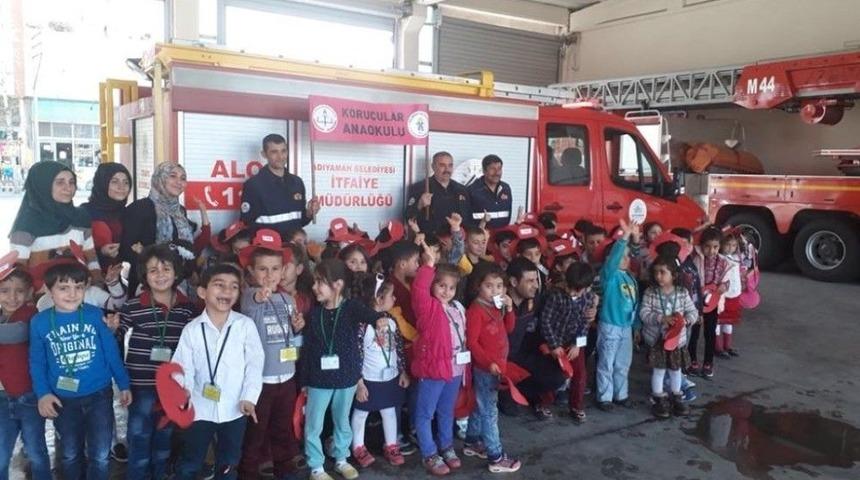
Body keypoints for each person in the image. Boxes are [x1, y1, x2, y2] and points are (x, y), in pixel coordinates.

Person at [28, 261, 131, 480]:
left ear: (86, 288)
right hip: (63, 398)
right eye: (63, 287)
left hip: (99, 395)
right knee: (70, 453)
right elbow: (37, 362)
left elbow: (111, 351)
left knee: (101, 454)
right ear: (48, 291)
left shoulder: (95, 316)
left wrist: (123, 384)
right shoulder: (39, 322)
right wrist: (43, 394)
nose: (72, 293)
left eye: (78, 287)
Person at [171, 264, 265, 480]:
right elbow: (182, 367)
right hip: (198, 410)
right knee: (190, 462)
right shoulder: (192, 330)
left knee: (229, 463)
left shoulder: (245, 326)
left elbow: (255, 363)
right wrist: (182, 393)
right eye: (219, 285)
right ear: (202, 291)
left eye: (233, 287)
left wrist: (249, 398)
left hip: (235, 408)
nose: (227, 291)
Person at [117, 244, 199, 480]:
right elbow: (118, 334)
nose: (160, 275)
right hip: (141, 383)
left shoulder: (187, 308)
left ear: (176, 273)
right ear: (144, 275)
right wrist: (113, 327)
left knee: (164, 436)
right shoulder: (133, 306)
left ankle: (160, 474)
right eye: (153, 270)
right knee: (139, 436)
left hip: (172, 387)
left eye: (166, 269)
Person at [237, 229, 305, 480]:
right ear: (252, 272)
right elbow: (253, 302)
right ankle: (247, 474)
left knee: (283, 431)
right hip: (260, 382)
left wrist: (297, 326)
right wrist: (259, 294)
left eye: (275, 269)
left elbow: (290, 334)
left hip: (286, 377)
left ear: (283, 270)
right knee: (255, 435)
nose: (269, 275)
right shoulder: (248, 296)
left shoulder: (287, 299)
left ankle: (284, 471)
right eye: (262, 269)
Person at [301, 259, 374, 480]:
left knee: (342, 421)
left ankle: (341, 458)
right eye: (314, 282)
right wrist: (304, 381)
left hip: (346, 378)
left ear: (338, 285)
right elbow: (308, 350)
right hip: (318, 380)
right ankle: (316, 466)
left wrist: (379, 320)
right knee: (314, 424)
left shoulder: (351, 308)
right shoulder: (314, 314)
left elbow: (368, 314)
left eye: (320, 282)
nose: (315, 287)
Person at [410, 242, 466, 476]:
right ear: (432, 285)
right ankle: (429, 453)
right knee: (425, 414)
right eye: (441, 285)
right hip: (433, 370)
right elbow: (419, 289)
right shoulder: (428, 308)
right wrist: (428, 265)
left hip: (455, 370)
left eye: (451, 287)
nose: (446, 291)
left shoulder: (458, 307)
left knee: (446, 411)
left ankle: (446, 446)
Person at [463, 264, 521, 473]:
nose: (495, 290)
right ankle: (496, 456)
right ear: (478, 287)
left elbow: (509, 328)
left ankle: (471, 441)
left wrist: (510, 309)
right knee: (489, 412)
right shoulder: (476, 311)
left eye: (499, 286)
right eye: (489, 286)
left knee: (481, 407)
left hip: (498, 366)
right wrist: (489, 363)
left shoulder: (496, 307)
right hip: (486, 369)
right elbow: (472, 342)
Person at [121, 162, 211, 296]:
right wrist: (148, 257)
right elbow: (127, 250)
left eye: (183, 178)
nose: (179, 182)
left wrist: (188, 271)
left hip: (179, 285)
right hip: (147, 285)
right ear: (160, 178)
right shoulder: (139, 208)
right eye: (173, 176)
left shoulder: (180, 211)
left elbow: (185, 248)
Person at [350, 272, 409, 468]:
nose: (394, 298)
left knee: (389, 411)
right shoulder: (362, 324)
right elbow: (355, 354)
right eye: (391, 295)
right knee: (360, 413)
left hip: (390, 376)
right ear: (378, 298)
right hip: (368, 379)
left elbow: (398, 347)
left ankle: (391, 444)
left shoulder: (391, 320)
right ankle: (358, 446)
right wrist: (358, 383)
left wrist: (402, 371)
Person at [9, 161, 102, 283]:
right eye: (60, 182)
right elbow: (18, 272)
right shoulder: (26, 225)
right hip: (40, 298)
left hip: (78, 293)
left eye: (71, 182)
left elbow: (91, 258)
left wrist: (97, 283)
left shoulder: (81, 217)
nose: (68, 188)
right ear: (43, 185)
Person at [0, 258, 51, 480]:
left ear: (30, 292)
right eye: (4, 291)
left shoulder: (31, 316)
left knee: (36, 451)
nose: (12, 297)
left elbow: (16, 333)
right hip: (2, 397)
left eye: (19, 291)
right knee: (1, 453)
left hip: (29, 397)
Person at [540, 262, 598, 424]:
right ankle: (543, 403)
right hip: (554, 343)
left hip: (574, 344)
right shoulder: (555, 295)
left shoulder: (588, 298)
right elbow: (546, 321)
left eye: (578, 289)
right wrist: (554, 345)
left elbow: (585, 323)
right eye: (571, 287)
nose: (573, 292)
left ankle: (576, 406)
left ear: (587, 287)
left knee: (580, 375)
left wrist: (578, 345)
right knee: (552, 376)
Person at [639, 256, 697, 418]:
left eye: (663, 272)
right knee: (659, 369)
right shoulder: (651, 293)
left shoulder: (682, 293)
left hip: (676, 341)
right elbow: (643, 313)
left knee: (676, 369)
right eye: (656, 272)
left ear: (674, 275)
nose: (658, 276)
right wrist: (660, 319)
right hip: (658, 340)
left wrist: (685, 321)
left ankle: (676, 395)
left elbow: (693, 311)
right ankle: (659, 397)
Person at [595, 220, 639, 411]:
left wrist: (635, 326)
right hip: (610, 326)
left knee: (623, 363)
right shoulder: (609, 276)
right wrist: (624, 238)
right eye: (623, 256)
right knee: (606, 363)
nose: (626, 259)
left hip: (626, 328)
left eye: (628, 256)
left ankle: (621, 394)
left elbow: (635, 304)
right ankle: (604, 397)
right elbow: (613, 260)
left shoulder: (630, 278)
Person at [240, 134, 320, 237]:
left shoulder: (297, 182)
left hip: (294, 249)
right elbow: (246, 225)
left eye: (283, 151)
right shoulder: (253, 185)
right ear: (264, 154)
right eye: (274, 152)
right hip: (270, 250)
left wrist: (309, 213)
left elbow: (300, 222)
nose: (280, 157)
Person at [689, 227, 728, 379]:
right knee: (694, 331)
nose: (711, 250)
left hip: (712, 302)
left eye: (715, 247)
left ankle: (708, 362)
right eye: (707, 246)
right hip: (695, 301)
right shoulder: (695, 256)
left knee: (710, 333)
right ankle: (692, 360)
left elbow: (726, 280)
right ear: (701, 245)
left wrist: (724, 287)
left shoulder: (724, 262)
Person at [81, 162, 132, 270]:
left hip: (115, 281)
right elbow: (73, 252)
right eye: (114, 182)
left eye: (126, 182)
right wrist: (101, 252)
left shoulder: (129, 213)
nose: (121, 187)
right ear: (102, 183)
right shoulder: (84, 213)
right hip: (84, 280)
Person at [406, 151, 470, 236]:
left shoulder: (462, 190)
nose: (447, 169)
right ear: (433, 167)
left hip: (456, 240)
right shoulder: (420, 188)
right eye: (442, 165)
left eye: (450, 165)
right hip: (431, 242)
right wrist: (419, 205)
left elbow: (468, 219)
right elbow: (408, 217)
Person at [466, 155, 512, 230]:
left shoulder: (506, 188)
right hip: (480, 238)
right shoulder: (472, 190)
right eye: (492, 169)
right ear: (484, 171)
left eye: (499, 169)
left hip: (502, 238)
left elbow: (508, 215)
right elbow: (467, 219)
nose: (497, 173)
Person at [716, 232, 743, 359]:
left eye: (733, 245)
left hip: (734, 293)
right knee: (717, 321)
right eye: (727, 245)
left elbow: (749, 255)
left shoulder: (737, 257)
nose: (730, 248)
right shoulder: (718, 258)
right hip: (722, 295)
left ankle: (728, 345)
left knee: (729, 321)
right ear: (721, 245)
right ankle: (717, 347)